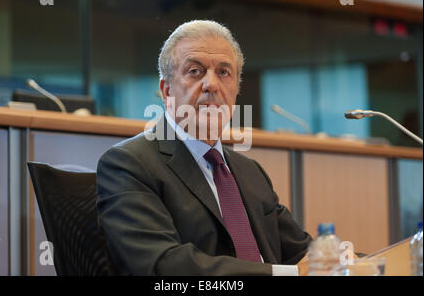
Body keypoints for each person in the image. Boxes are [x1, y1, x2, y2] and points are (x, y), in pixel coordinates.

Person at [96, 20, 312, 276]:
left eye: (223, 72)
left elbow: (303, 252)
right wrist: (286, 274)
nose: (212, 84)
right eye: (195, 71)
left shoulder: (251, 172)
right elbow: (163, 264)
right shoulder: (129, 164)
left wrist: (348, 262)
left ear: (235, 90)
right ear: (166, 91)